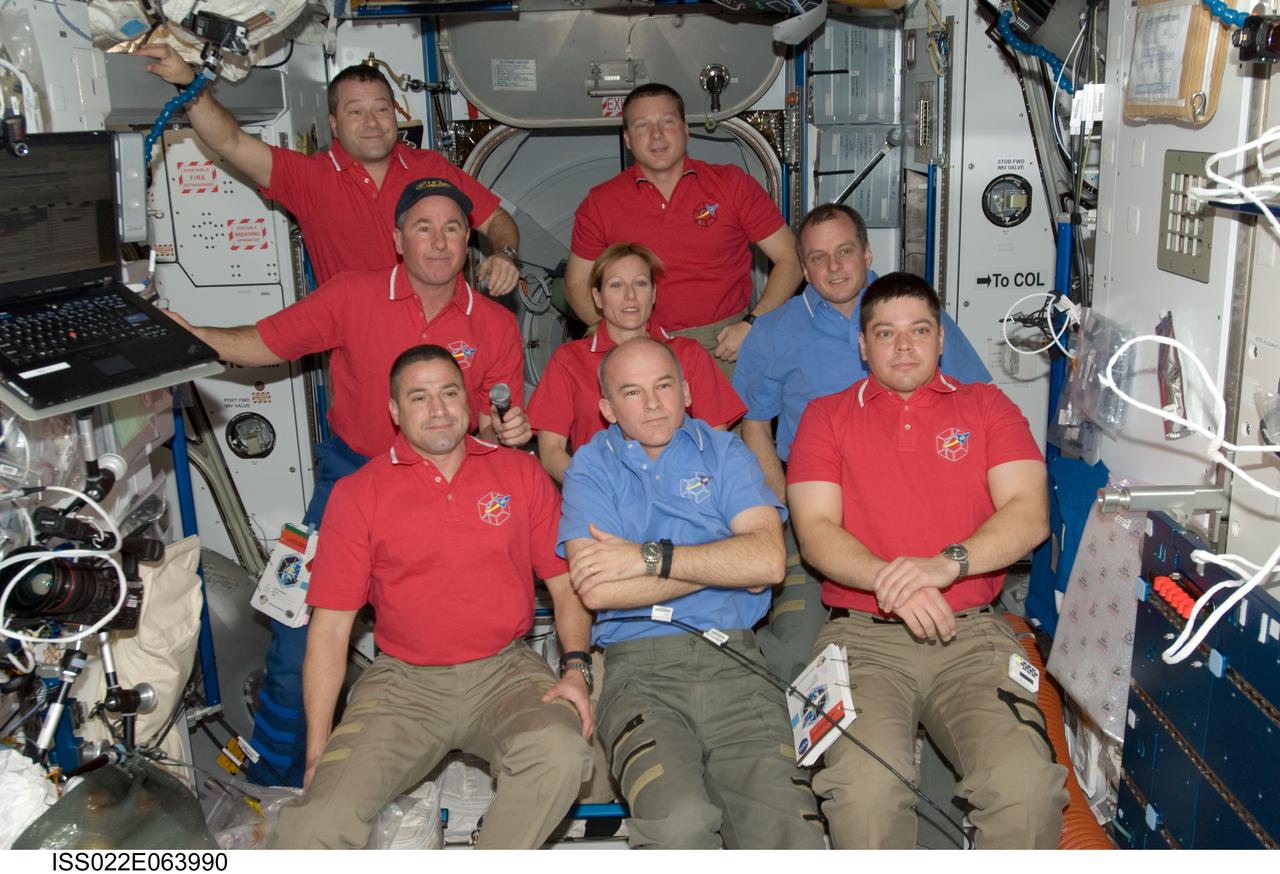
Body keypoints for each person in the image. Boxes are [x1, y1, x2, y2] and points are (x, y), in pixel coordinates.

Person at [169, 178, 531, 786]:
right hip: (351, 475)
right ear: (397, 239)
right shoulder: (353, 295)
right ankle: (280, 787)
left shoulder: (493, 325)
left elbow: (495, 430)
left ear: (469, 240)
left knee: (461, 624)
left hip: (446, 482)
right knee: (296, 634)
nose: (438, 242)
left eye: (451, 228)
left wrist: (509, 430)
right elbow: (263, 342)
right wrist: (190, 336)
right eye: (423, 227)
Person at [270, 344, 593, 849]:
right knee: (312, 826)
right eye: (419, 398)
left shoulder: (520, 473)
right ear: (395, 412)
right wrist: (317, 754)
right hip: (404, 685)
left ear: (468, 402)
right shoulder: (359, 494)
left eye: (448, 393)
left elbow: (565, 585)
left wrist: (575, 668)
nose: (438, 409)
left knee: (563, 755)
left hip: (505, 671)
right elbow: (330, 631)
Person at [786, 272, 1067, 849]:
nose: (904, 345)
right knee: (864, 794)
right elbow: (815, 531)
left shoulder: (988, 407)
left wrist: (945, 565)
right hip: (863, 642)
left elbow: (1029, 513)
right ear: (863, 346)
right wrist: (899, 584)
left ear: (942, 339)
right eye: (885, 333)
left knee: (1027, 789)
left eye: (919, 330)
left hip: (971, 638)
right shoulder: (826, 417)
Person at [556, 338, 825, 849]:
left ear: (685, 391)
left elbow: (767, 562)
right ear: (607, 409)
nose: (652, 402)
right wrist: (722, 558)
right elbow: (596, 587)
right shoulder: (590, 468)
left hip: (739, 663)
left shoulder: (726, 454)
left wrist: (648, 556)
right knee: (678, 824)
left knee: (792, 832)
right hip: (640, 672)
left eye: (663, 386)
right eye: (632, 392)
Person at [732, 203, 991, 681]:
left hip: (916, 495)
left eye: (845, 251)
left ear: (868, 252)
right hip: (815, 503)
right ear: (801, 266)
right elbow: (754, 427)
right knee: (797, 645)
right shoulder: (772, 333)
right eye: (817, 257)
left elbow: (977, 403)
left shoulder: (914, 317)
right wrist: (787, 511)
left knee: (948, 632)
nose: (833, 267)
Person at [135, 45, 520, 293]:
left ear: (396, 115)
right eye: (356, 112)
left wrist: (504, 254)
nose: (372, 122)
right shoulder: (308, 177)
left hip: (445, 345)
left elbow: (497, 220)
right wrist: (190, 84)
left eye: (382, 109)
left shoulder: (431, 167)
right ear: (334, 123)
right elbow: (229, 141)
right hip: (362, 355)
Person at [565, 84, 803, 375]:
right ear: (627, 139)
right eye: (642, 126)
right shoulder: (600, 203)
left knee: (736, 422)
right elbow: (576, 283)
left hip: (724, 345)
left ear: (685, 130)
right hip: (643, 345)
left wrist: (754, 324)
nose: (656, 135)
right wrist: (617, 338)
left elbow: (791, 258)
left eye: (667, 122)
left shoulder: (731, 185)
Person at [528, 242, 746, 483]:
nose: (630, 295)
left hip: (682, 491)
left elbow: (717, 442)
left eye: (640, 283)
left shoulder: (689, 354)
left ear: (653, 294)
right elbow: (551, 451)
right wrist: (594, 490)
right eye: (616, 285)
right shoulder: (568, 360)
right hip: (603, 491)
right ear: (597, 297)